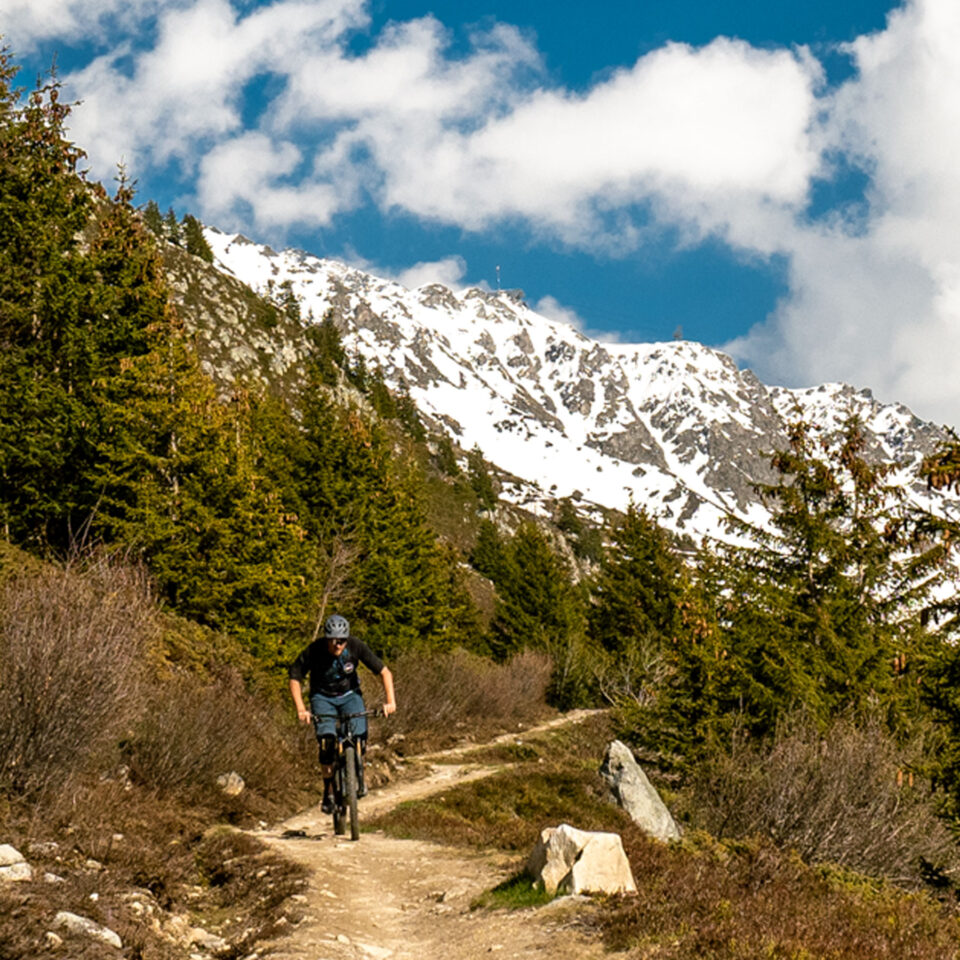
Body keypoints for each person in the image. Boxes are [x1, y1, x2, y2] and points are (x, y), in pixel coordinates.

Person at [288, 613, 397, 813]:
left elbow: (384, 672)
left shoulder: (356, 646)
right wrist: (301, 708)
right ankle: (328, 790)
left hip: (350, 695)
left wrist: (390, 701)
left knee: (359, 733)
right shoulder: (315, 651)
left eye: (342, 641)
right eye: (333, 641)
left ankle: (358, 772)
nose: (338, 645)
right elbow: (295, 676)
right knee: (327, 742)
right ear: (327, 639)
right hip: (322, 698)